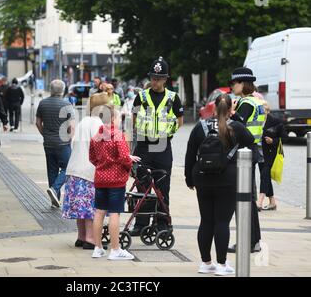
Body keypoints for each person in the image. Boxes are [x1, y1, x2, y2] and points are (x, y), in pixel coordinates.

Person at [185, 94, 254, 276]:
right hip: (228, 179)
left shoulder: (201, 126)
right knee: (222, 222)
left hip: (202, 177)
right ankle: (222, 264)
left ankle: (206, 263)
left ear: (213, 108)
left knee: (206, 220)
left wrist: (189, 179)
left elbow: (190, 153)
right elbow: (252, 147)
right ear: (232, 109)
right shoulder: (237, 127)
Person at [130, 57, 184, 236]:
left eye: (159, 78)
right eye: (153, 78)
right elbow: (134, 119)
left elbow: (180, 120)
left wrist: (168, 132)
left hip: (162, 146)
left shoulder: (173, 98)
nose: (155, 81)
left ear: (165, 79)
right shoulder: (141, 96)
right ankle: (141, 224)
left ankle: (161, 223)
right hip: (144, 147)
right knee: (142, 187)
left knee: (163, 187)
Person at [89, 104, 141, 260]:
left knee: (99, 212)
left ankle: (97, 248)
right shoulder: (117, 135)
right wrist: (127, 167)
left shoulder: (96, 137)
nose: (120, 121)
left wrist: (102, 166)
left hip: (100, 179)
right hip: (116, 180)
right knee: (114, 213)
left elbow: (92, 158)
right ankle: (115, 249)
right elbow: (125, 157)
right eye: (119, 118)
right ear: (112, 119)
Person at [63, 93, 109, 250]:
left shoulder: (84, 122)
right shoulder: (97, 124)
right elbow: (103, 148)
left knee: (79, 208)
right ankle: (90, 238)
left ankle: (81, 236)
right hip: (88, 172)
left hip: (74, 170)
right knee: (90, 208)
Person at [229, 67, 265, 253]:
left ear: (243, 84)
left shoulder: (247, 104)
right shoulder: (255, 102)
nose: (232, 86)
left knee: (243, 199)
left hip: (244, 153)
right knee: (248, 199)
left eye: (234, 83)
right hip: (252, 152)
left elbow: (237, 127)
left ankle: (247, 241)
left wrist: (231, 113)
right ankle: (254, 240)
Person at [36, 79, 75, 208]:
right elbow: (71, 127)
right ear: (63, 91)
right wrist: (70, 138)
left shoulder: (42, 103)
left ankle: (55, 200)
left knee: (52, 170)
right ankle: (55, 189)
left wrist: (45, 135)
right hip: (63, 144)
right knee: (67, 168)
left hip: (48, 143)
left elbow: (38, 123)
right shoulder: (67, 105)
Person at [257, 101, 287, 211]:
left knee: (264, 175)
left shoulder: (275, 121)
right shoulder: (256, 121)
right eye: (260, 110)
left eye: (264, 110)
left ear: (268, 111)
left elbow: (284, 137)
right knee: (265, 176)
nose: (262, 112)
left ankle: (259, 202)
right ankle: (272, 202)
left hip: (270, 153)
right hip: (259, 153)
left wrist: (272, 141)